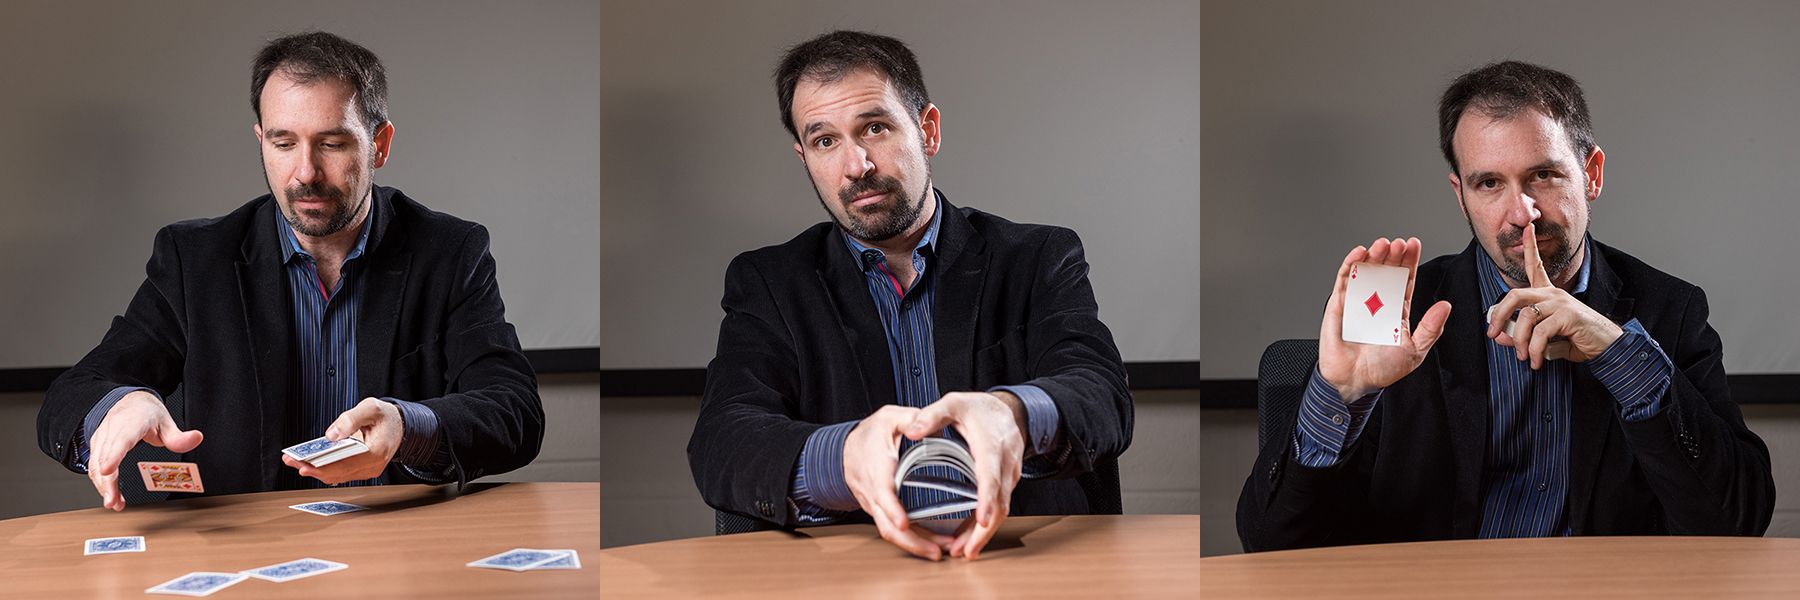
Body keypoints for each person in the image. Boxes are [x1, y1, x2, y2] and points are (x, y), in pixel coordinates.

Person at [1236, 61, 1774, 550]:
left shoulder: (1668, 310)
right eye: (1489, 183)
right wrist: (1340, 399)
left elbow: (1738, 523)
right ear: (1460, 195)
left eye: (1543, 175)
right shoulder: (1400, 309)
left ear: (1591, 175)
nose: (1522, 212)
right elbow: (1268, 544)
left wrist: (1622, 357)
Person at [36, 31, 544, 511]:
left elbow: (514, 411)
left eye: (332, 143)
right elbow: (75, 391)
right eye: (283, 144)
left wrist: (408, 426)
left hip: (395, 546)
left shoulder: (451, 252)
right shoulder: (194, 260)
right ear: (260, 141)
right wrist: (118, 405)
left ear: (379, 145)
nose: (305, 172)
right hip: (243, 555)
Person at [687, 31, 1133, 561]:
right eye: (825, 141)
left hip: (1021, 563)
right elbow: (722, 441)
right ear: (804, 156)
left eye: (874, 128)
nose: (856, 167)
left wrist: (1011, 413)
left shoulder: (1036, 256)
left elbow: (1102, 394)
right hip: (849, 576)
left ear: (928, 130)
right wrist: (843, 456)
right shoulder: (769, 283)